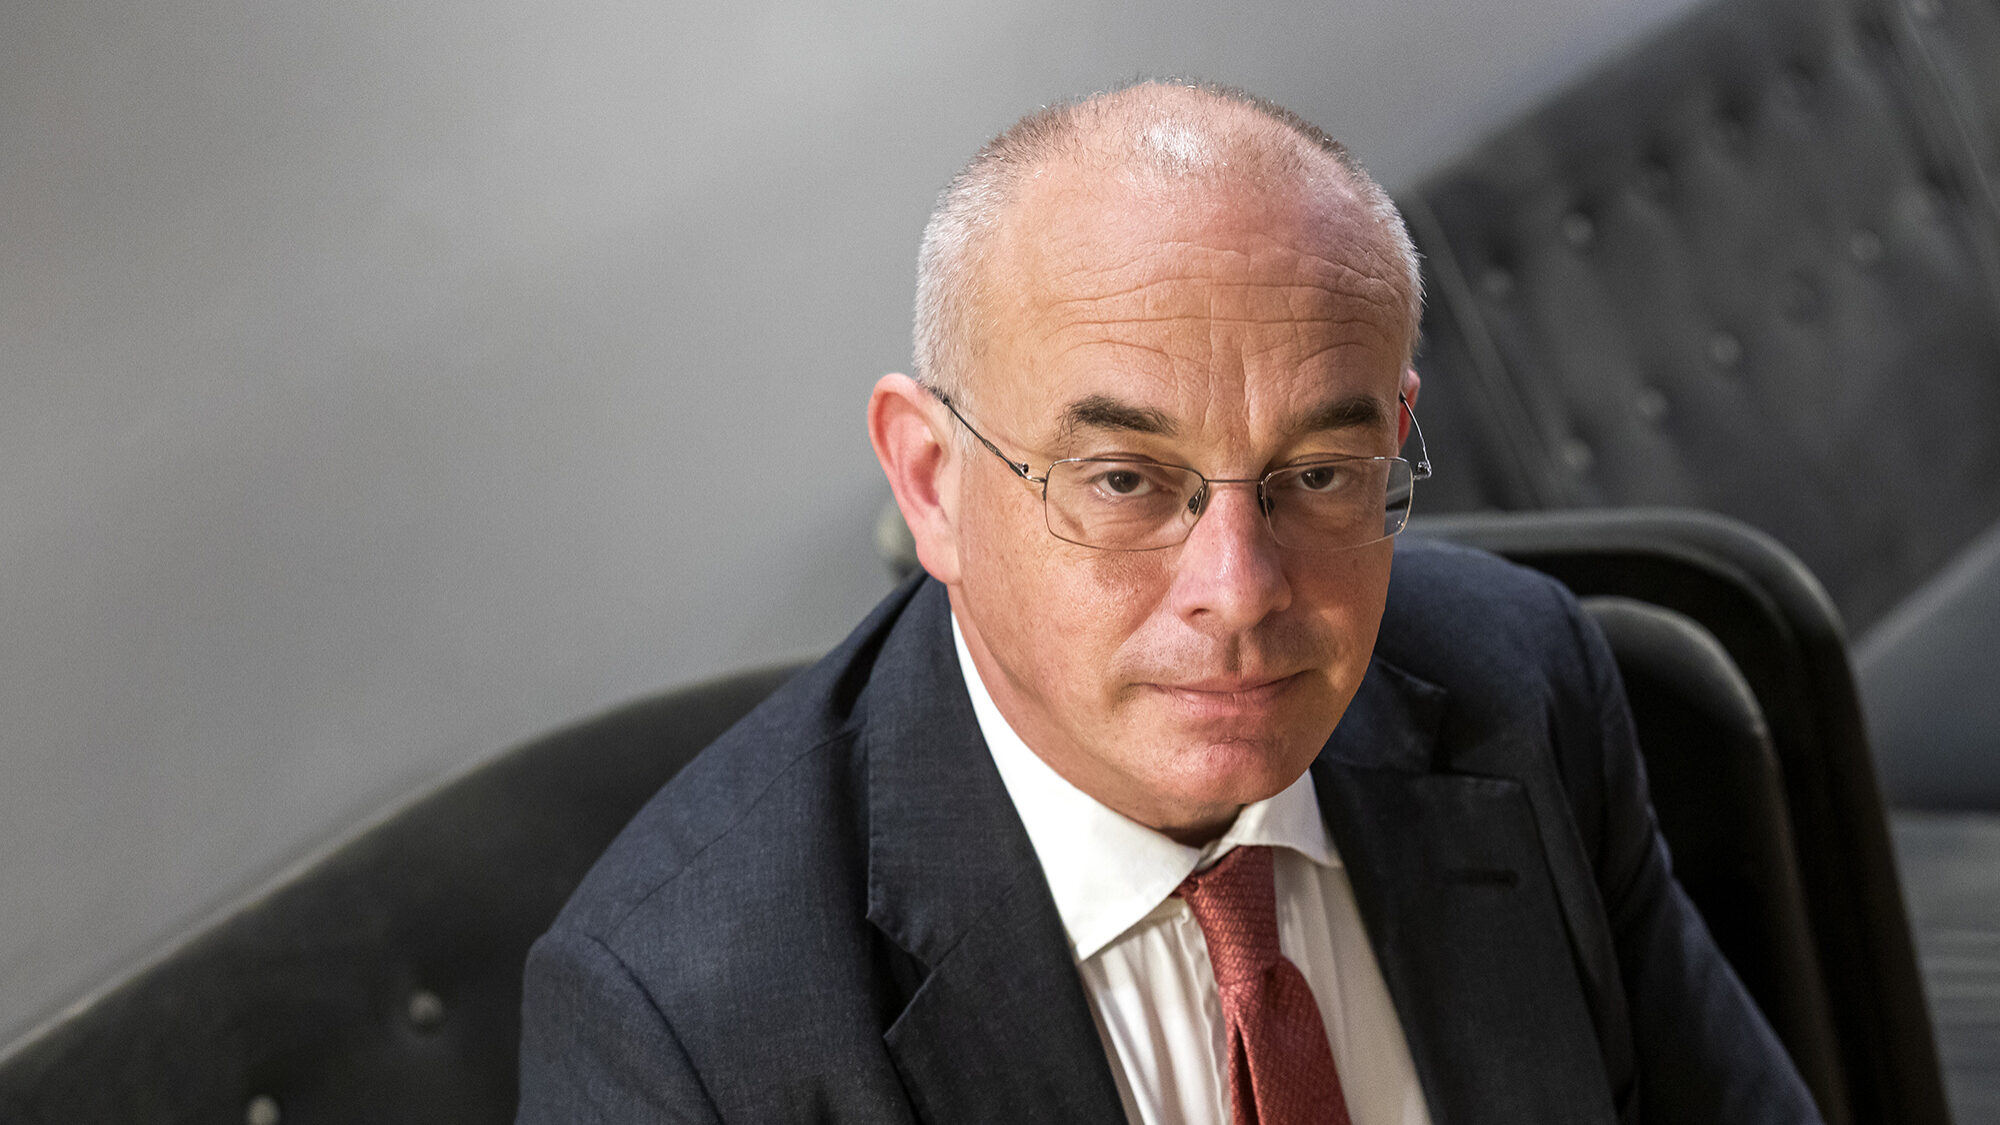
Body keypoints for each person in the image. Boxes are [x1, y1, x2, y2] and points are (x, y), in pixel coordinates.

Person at [517, 81, 1822, 1124]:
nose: (1240, 592)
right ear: (931, 481)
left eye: (1321, 473)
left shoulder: (1520, 679)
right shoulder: (684, 1024)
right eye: (1126, 481)